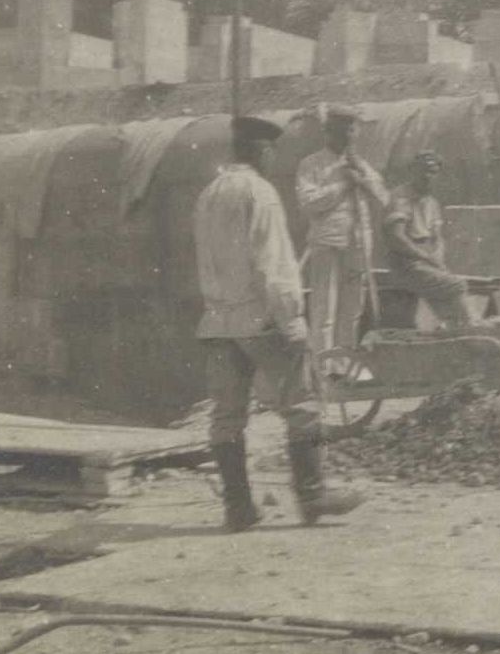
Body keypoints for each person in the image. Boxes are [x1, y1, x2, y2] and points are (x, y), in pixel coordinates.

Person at [194, 116, 363, 532]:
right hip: (261, 318)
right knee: (303, 404)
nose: (274, 158)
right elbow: (276, 267)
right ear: (261, 150)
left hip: (218, 322)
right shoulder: (261, 193)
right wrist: (292, 322)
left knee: (227, 416)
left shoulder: (208, 195)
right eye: (272, 151)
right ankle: (312, 496)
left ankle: (238, 508)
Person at [295, 105, 390, 364]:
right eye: (341, 131)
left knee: (352, 310)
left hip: (357, 243)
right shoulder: (312, 164)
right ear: (328, 133)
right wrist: (343, 184)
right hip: (327, 243)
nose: (348, 136)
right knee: (324, 309)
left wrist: (362, 178)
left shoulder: (361, 165)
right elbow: (308, 203)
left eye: (351, 130)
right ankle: (322, 371)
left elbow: (384, 199)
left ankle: (344, 367)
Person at [380, 151, 472, 331]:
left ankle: (457, 333)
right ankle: (471, 325)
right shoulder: (401, 197)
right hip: (406, 263)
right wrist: (426, 258)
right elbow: (396, 238)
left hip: (424, 262)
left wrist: (438, 259)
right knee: (456, 285)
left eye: (433, 172)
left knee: (447, 298)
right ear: (413, 171)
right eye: (423, 170)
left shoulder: (431, 202)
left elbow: (437, 237)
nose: (428, 176)